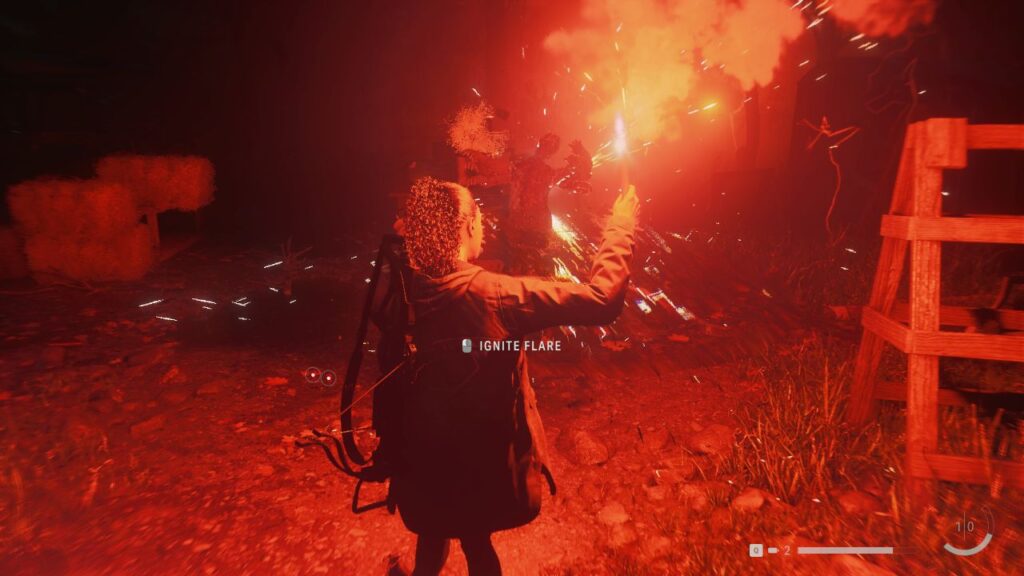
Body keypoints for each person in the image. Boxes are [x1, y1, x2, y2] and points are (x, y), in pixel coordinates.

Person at [388, 177, 637, 575]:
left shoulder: (409, 290)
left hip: (424, 460)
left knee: (435, 531)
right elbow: (602, 300)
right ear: (467, 225)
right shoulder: (497, 295)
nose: (484, 224)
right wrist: (621, 225)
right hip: (476, 466)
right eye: (479, 213)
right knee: (475, 541)